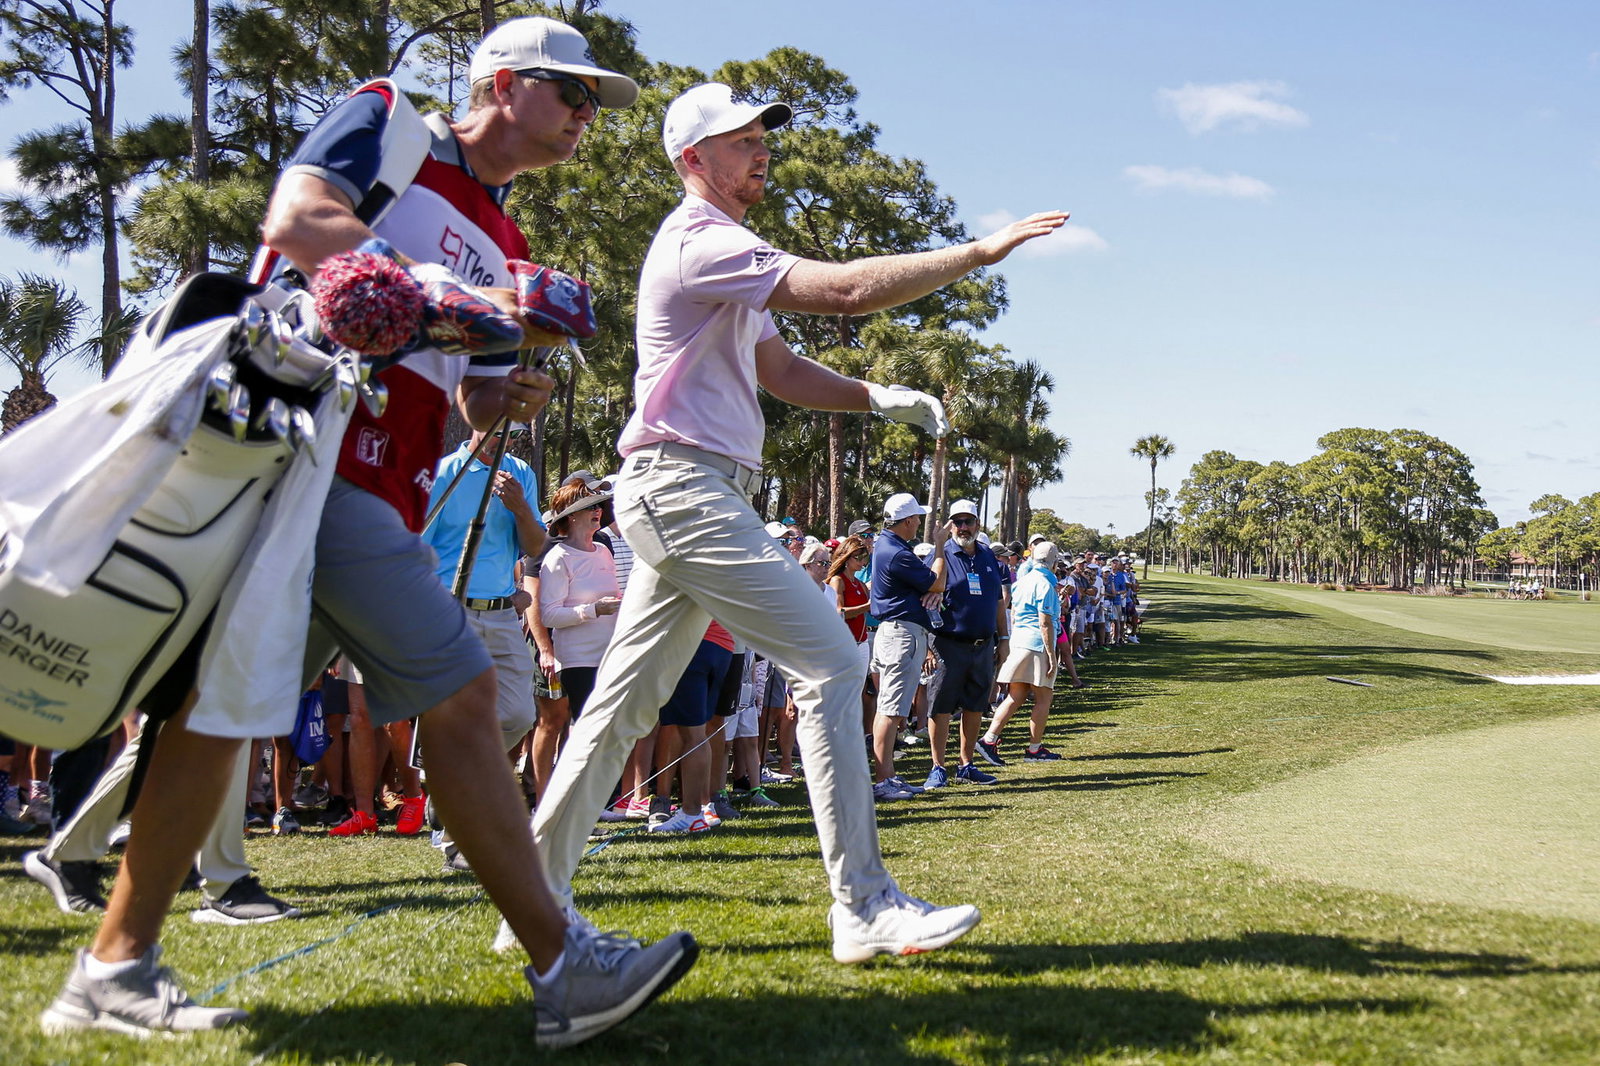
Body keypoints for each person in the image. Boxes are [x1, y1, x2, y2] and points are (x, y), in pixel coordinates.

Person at [39, 18, 694, 1046]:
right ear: (504, 83)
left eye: (588, 107)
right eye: (569, 94)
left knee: (215, 718)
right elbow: (300, 217)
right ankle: (563, 964)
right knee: (464, 693)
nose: (581, 119)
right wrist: (454, 299)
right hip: (295, 450)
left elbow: (468, 398)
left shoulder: (511, 241)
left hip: (376, 487)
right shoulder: (392, 123)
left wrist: (504, 383)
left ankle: (114, 962)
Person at [526, 80, 1066, 963]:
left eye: (761, 136)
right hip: (683, 487)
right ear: (692, 159)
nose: (760, 149)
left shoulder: (727, 251)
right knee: (827, 660)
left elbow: (780, 369)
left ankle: (532, 886)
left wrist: (873, 397)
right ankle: (862, 904)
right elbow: (848, 292)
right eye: (739, 140)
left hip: (692, 489)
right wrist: (977, 251)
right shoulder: (700, 239)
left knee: (621, 706)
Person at [922, 500, 1005, 789]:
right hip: (948, 643)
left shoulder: (986, 555)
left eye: (968, 521)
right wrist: (927, 647)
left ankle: (966, 764)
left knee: (975, 706)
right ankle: (938, 767)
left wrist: (1003, 638)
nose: (963, 527)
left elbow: (997, 600)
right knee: (941, 707)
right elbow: (928, 593)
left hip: (982, 645)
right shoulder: (942, 553)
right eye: (957, 522)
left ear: (977, 524)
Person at [868, 493, 943, 800]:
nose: (918, 525)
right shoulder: (896, 552)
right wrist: (939, 545)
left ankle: (888, 776)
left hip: (898, 631)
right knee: (890, 709)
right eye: (917, 520)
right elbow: (935, 582)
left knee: (892, 707)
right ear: (909, 520)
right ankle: (883, 780)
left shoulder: (891, 547)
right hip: (901, 634)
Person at [978, 541, 1066, 765]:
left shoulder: (1023, 581)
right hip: (1037, 645)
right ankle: (1034, 749)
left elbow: (1015, 614)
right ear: (1053, 562)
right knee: (1044, 697)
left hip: (1020, 642)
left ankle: (989, 739)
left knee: (1016, 695)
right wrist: (1052, 656)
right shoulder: (1045, 585)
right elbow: (1045, 623)